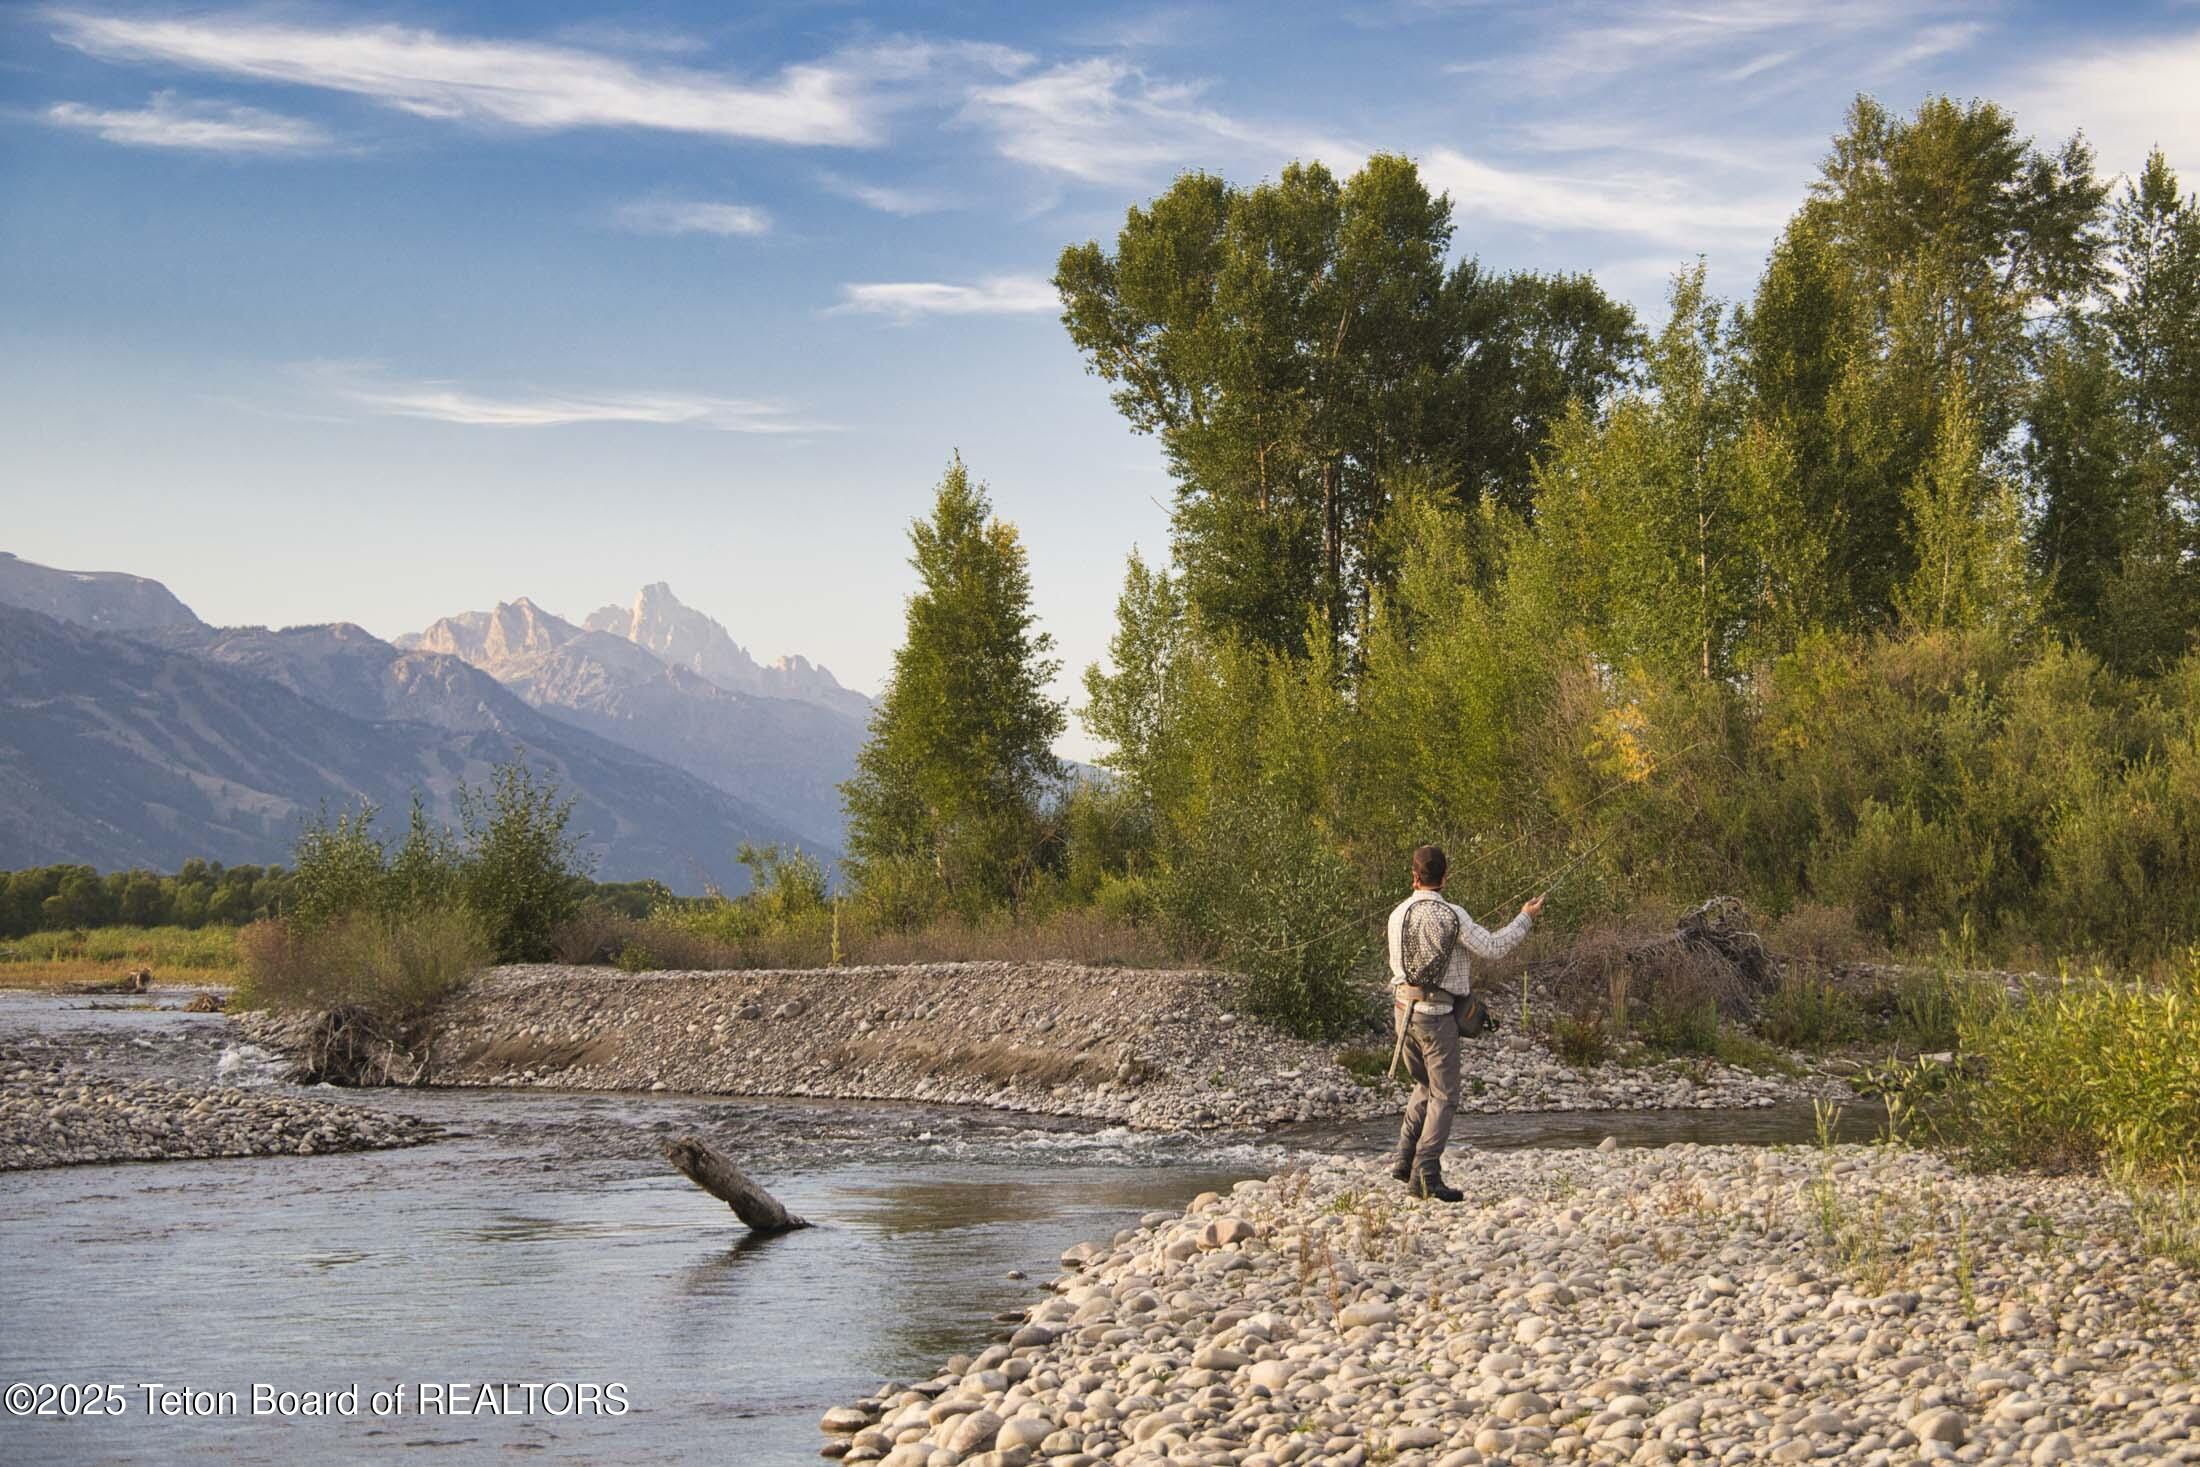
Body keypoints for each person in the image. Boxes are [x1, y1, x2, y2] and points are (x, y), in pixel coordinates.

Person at [1386, 844, 1544, 1201]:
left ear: (1414, 876)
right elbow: (1494, 947)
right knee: (1445, 1095)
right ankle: (1425, 1174)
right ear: (1445, 876)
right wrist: (1525, 917)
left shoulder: (1397, 913)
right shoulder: (1453, 915)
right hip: (1435, 1017)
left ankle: (1404, 1158)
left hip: (1402, 1012)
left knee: (1425, 1084)